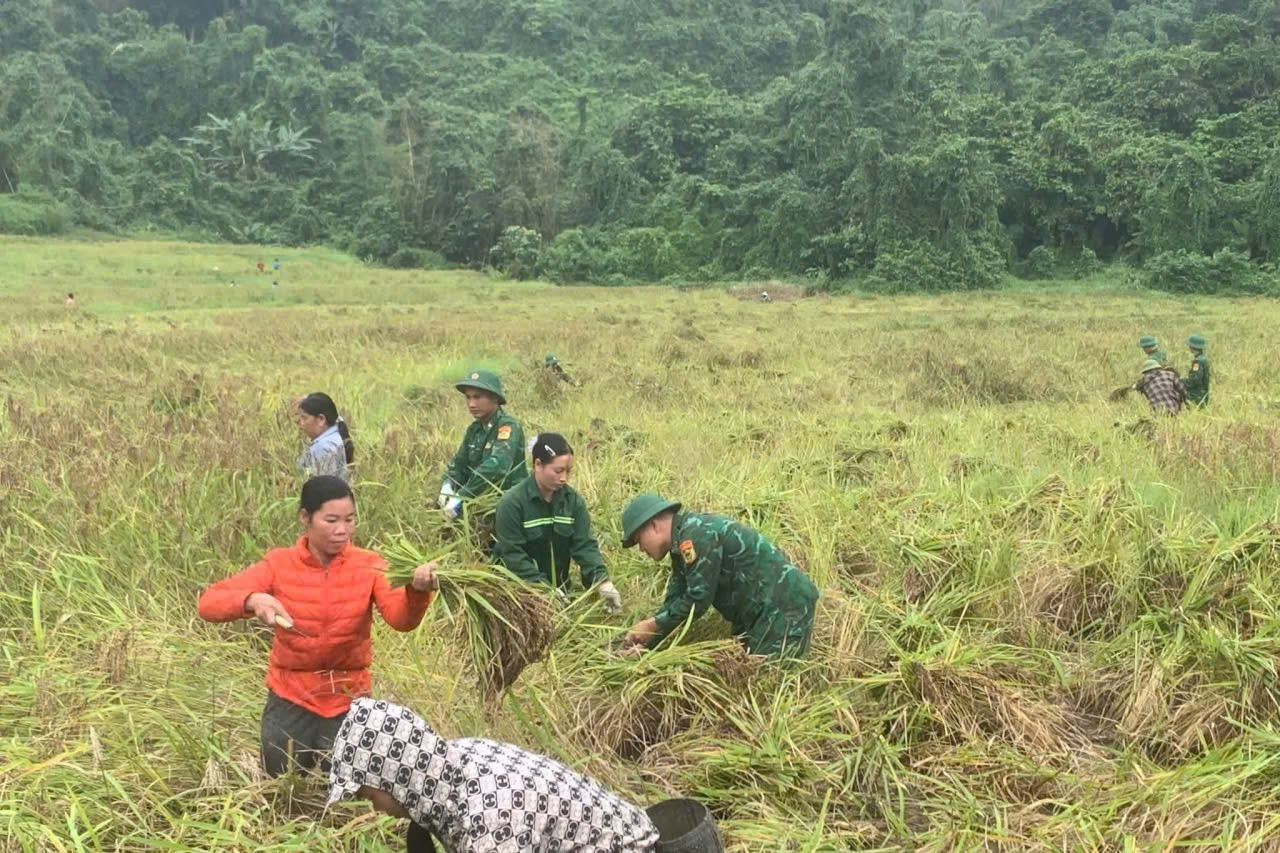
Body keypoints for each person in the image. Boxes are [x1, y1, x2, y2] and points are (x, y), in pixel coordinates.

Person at [196, 476, 439, 777]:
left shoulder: (369, 565)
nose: (342, 530)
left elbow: (400, 620)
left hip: (348, 696)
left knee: (344, 789)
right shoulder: (279, 564)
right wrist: (252, 600)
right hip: (290, 694)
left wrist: (416, 592)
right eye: (331, 520)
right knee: (281, 786)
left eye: (350, 520)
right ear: (305, 517)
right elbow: (208, 603)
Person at [326, 697, 661, 853]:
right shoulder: (448, 763)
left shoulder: (489, 819)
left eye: (371, 795)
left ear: (397, 777)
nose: (375, 808)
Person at [618, 494, 818, 659]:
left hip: (783, 606)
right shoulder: (681, 547)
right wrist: (647, 641)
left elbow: (698, 600)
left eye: (639, 540)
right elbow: (676, 600)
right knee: (750, 674)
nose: (641, 548)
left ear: (654, 526)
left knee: (773, 679)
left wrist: (652, 625)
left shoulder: (696, 535)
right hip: (758, 613)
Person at [494, 433, 622, 612]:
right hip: (517, 595)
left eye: (568, 471)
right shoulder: (512, 503)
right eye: (558, 471)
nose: (564, 478)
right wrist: (543, 589)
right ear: (538, 465)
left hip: (561, 594)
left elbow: (585, 545)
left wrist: (602, 582)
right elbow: (513, 555)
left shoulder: (573, 502)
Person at [438, 370, 527, 519]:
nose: (471, 404)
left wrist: (463, 494)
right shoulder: (474, 430)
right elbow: (459, 464)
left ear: (495, 398)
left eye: (478, 397)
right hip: (477, 501)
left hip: (508, 504)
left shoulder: (508, 426)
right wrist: (448, 485)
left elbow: (497, 466)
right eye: (468, 397)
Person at [296, 392, 353, 482]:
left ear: (321, 419)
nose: (301, 423)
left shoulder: (323, 447)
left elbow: (320, 485)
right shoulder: (335, 434)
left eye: (305, 418)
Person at [1184, 333, 1210, 407]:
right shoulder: (1204, 359)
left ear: (1192, 347)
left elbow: (1194, 380)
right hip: (1203, 394)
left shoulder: (1197, 361)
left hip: (1196, 396)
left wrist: (1181, 382)